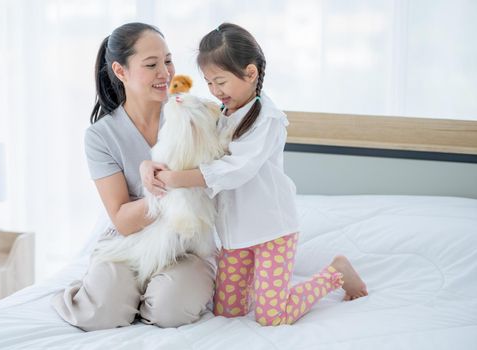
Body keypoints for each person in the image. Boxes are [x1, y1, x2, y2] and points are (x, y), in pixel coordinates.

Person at [141, 23, 368, 326]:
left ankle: (336, 273)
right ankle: (258, 287)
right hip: (235, 233)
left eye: (220, 81)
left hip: (272, 230)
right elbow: (195, 146)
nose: (215, 91)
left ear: (250, 74)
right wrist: (152, 165)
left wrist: (177, 179)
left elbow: (237, 170)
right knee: (226, 311)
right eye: (208, 83)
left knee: (272, 316)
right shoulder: (223, 113)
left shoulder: (268, 119)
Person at [50, 22, 215, 331]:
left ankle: (147, 294)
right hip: (127, 243)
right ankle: (108, 290)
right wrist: (160, 189)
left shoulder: (191, 114)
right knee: (99, 314)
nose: (165, 73)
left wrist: (168, 181)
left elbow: (216, 177)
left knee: (170, 310)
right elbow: (123, 220)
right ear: (120, 71)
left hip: (186, 244)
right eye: (151, 65)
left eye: (167, 60)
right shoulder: (102, 136)